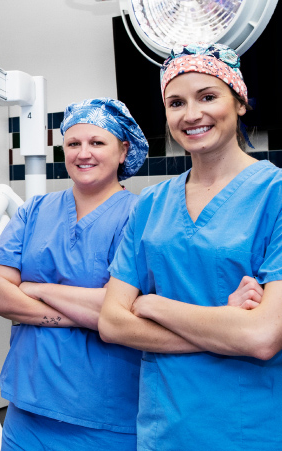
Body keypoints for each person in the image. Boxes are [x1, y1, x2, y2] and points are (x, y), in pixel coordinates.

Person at [99, 43, 282, 450]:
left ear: (240, 103)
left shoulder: (275, 194)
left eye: (208, 96)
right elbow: (111, 323)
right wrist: (224, 323)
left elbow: (263, 336)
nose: (191, 114)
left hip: (248, 429)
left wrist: (152, 306)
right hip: (163, 428)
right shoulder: (150, 203)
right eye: (176, 102)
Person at [0, 98, 148, 450]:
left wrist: (33, 288)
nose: (83, 153)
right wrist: (89, 312)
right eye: (73, 144)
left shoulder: (139, 216)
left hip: (105, 417)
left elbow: (124, 309)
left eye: (97, 142)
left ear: (123, 151)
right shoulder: (35, 210)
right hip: (27, 410)